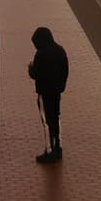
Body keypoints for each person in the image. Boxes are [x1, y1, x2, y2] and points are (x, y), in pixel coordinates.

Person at [27, 26, 68, 163]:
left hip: (44, 93)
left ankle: (50, 150)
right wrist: (61, 86)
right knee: (56, 117)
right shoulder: (60, 50)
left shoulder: (41, 54)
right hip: (56, 92)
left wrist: (31, 68)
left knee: (46, 121)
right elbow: (65, 70)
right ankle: (58, 147)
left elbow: (36, 74)